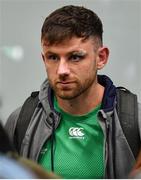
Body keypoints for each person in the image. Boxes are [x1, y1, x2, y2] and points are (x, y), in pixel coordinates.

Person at [5, 5, 141, 179]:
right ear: (43, 58)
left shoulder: (134, 121)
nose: (62, 70)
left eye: (75, 57)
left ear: (101, 58)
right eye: (53, 57)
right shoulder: (21, 120)